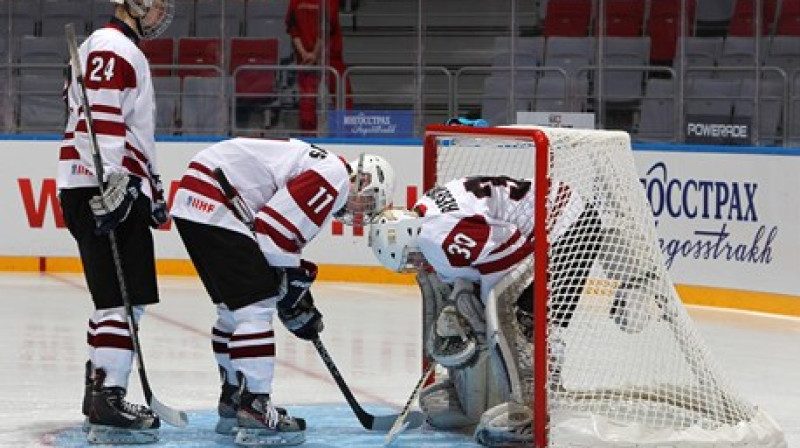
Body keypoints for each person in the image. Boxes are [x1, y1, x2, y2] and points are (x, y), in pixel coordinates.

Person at [168, 138, 394, 446]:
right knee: (255, 309)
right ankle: (256, 406)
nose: (359, 212)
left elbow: (276, 238)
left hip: (195, 203)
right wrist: (291, 293)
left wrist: (293, 290)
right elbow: (274, 231)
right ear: (363, 179)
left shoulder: (322, 168)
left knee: (232, 311)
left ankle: (233, 402)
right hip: (216, 200)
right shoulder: (335, 176)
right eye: (367, 202)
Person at [368, 174, 603, 447]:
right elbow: (478, 259)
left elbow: (511, 251)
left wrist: (483, 316)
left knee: (521, 322)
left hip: (568, 225)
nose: (417, 264)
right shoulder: (425, 218)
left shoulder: (437, 238)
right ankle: (540, 393)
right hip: (555, 210)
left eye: (411, 257)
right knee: (516, 319)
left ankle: (536, 406)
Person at [57, 0, 173, 444]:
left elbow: (126, 127)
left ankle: (99, 392)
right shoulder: (111, 46)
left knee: (118, 300)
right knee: (120, 302)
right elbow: (99, 121)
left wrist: (151, 190)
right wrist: (115, 186)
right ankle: (109, 395)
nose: (162, 12)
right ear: (135, 4)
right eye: (157, 4)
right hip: (102, 186)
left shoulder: (111, 46)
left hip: (107, 184)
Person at [286, 0, 353, 134]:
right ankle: (345, 135)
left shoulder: (295, 1)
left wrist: (305, 54)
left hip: (307, 58)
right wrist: (313, 55)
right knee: (342, 97)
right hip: (328, 55)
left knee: (308, 100)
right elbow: (327, 28)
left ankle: (308, 139)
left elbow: (293, 29)